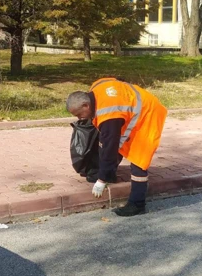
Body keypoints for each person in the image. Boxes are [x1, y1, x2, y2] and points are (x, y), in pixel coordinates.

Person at [66, 77, 167, 217]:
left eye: (79, 114)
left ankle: (137, 204)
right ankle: (109, 171)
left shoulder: (109, 115)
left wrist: (102, 179)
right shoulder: (96, 87)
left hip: (148, 114)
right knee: (113, 142)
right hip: (135, 109)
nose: (79, 118)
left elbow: (109, 147)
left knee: (139, 160)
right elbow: (117, 80)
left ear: (86, 105)